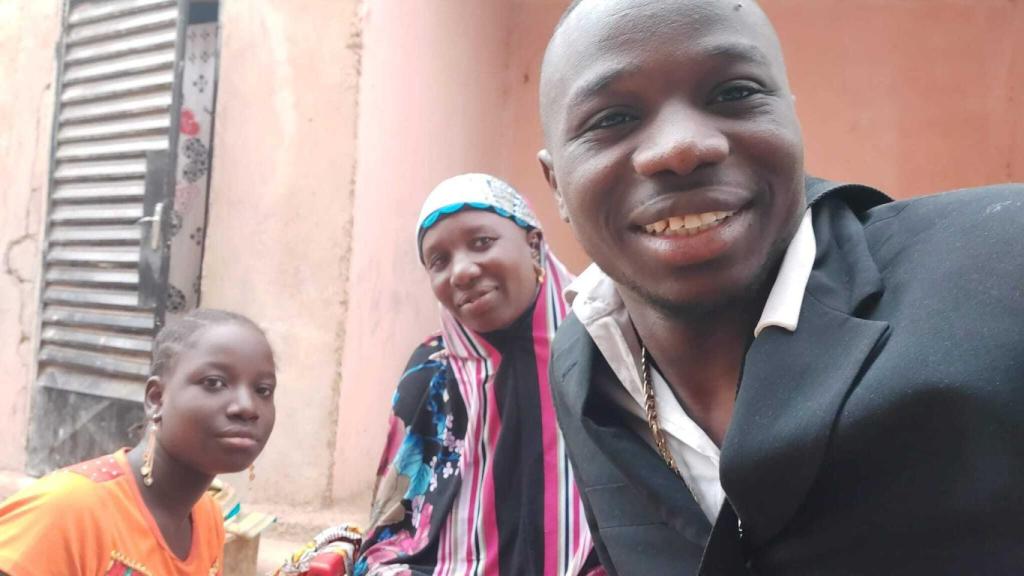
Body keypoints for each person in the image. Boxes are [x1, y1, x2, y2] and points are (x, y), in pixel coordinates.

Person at [536, 1, 1024, 574]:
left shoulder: (1001, 263)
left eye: (734, 92)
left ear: (791, 119)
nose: (681, 146)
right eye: (612, 118)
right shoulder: (582, 363)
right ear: (556, 186)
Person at [354, 174, 603, 576]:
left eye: (482, 243)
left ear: (534, 244)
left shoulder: (607, 346)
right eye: (439, 261)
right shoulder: (433, 370)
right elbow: (391, 526)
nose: (462, 272)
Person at [0, 308, 277, 576]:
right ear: (156, 398)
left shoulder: (207, 519)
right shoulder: (68, 511)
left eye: (263, 390)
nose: (247, 407)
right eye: (214, 383)